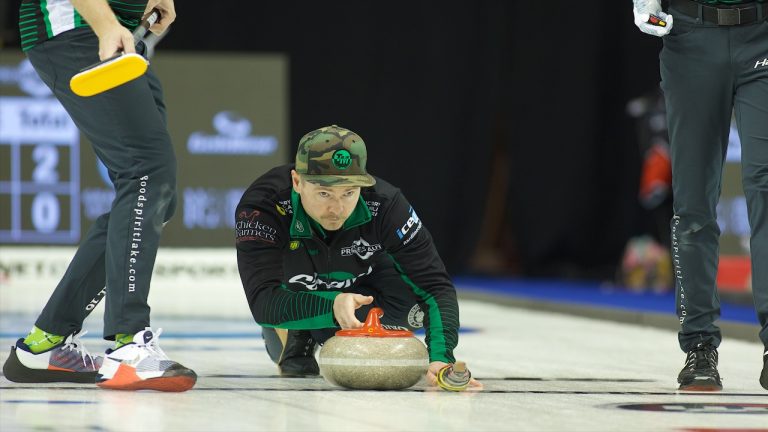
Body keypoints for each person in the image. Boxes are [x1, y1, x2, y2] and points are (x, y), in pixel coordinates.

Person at [2, 0, 196, 392]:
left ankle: (45, 343)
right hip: (78, 29)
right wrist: (106, 24)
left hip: (107, 32)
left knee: (153, 190)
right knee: (146, 173)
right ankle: (128, 346)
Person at [235, 125, 480, 387]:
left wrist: (441, 358)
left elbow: (434, 286)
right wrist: (330, 304)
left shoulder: (386, 205)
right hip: (297, 280)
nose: (337, 208)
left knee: (413, 312)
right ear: (297, 182)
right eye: (324, 193)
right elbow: (262, 301)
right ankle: (299, 329)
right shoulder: (263, 206)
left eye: (349, 193)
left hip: (366, 274)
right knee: (281, 316)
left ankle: (319, 324)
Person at [632, 0, 768, 391]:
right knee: (693, 199)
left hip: (761, 33)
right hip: (691, 32)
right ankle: (699, 344)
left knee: (766, 185)